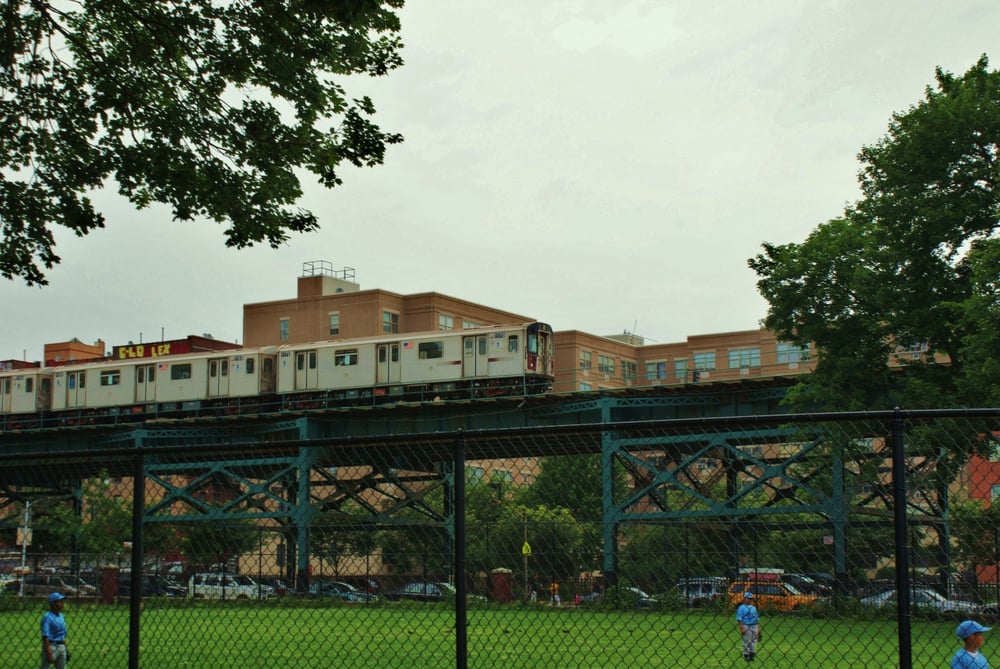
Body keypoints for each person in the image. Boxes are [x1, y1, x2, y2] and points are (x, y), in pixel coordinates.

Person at [41, 592, 69, 669]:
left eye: (62, 601)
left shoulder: (61, 616)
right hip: (51, 645)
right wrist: (49, 652)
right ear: (53, 604)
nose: (62, 603)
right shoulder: (47, 617)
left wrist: (66, 649)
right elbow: (45, 636)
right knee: (45, 667)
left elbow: (62, 635)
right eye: (59, 601)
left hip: (61, 646)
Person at [735, 591, 760, 663]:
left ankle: (752, 654)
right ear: (745, 599)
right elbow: (739, 619)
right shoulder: (741, 607)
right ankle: (746, 655)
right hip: (746, 625)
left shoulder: (753, 608)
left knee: (753, 641)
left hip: (754, 625)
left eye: (751, 599)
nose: (750, 600)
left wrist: (758, 629)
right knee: (746, 641)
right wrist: (742, 628)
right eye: (748, 598)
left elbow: (756, 619)